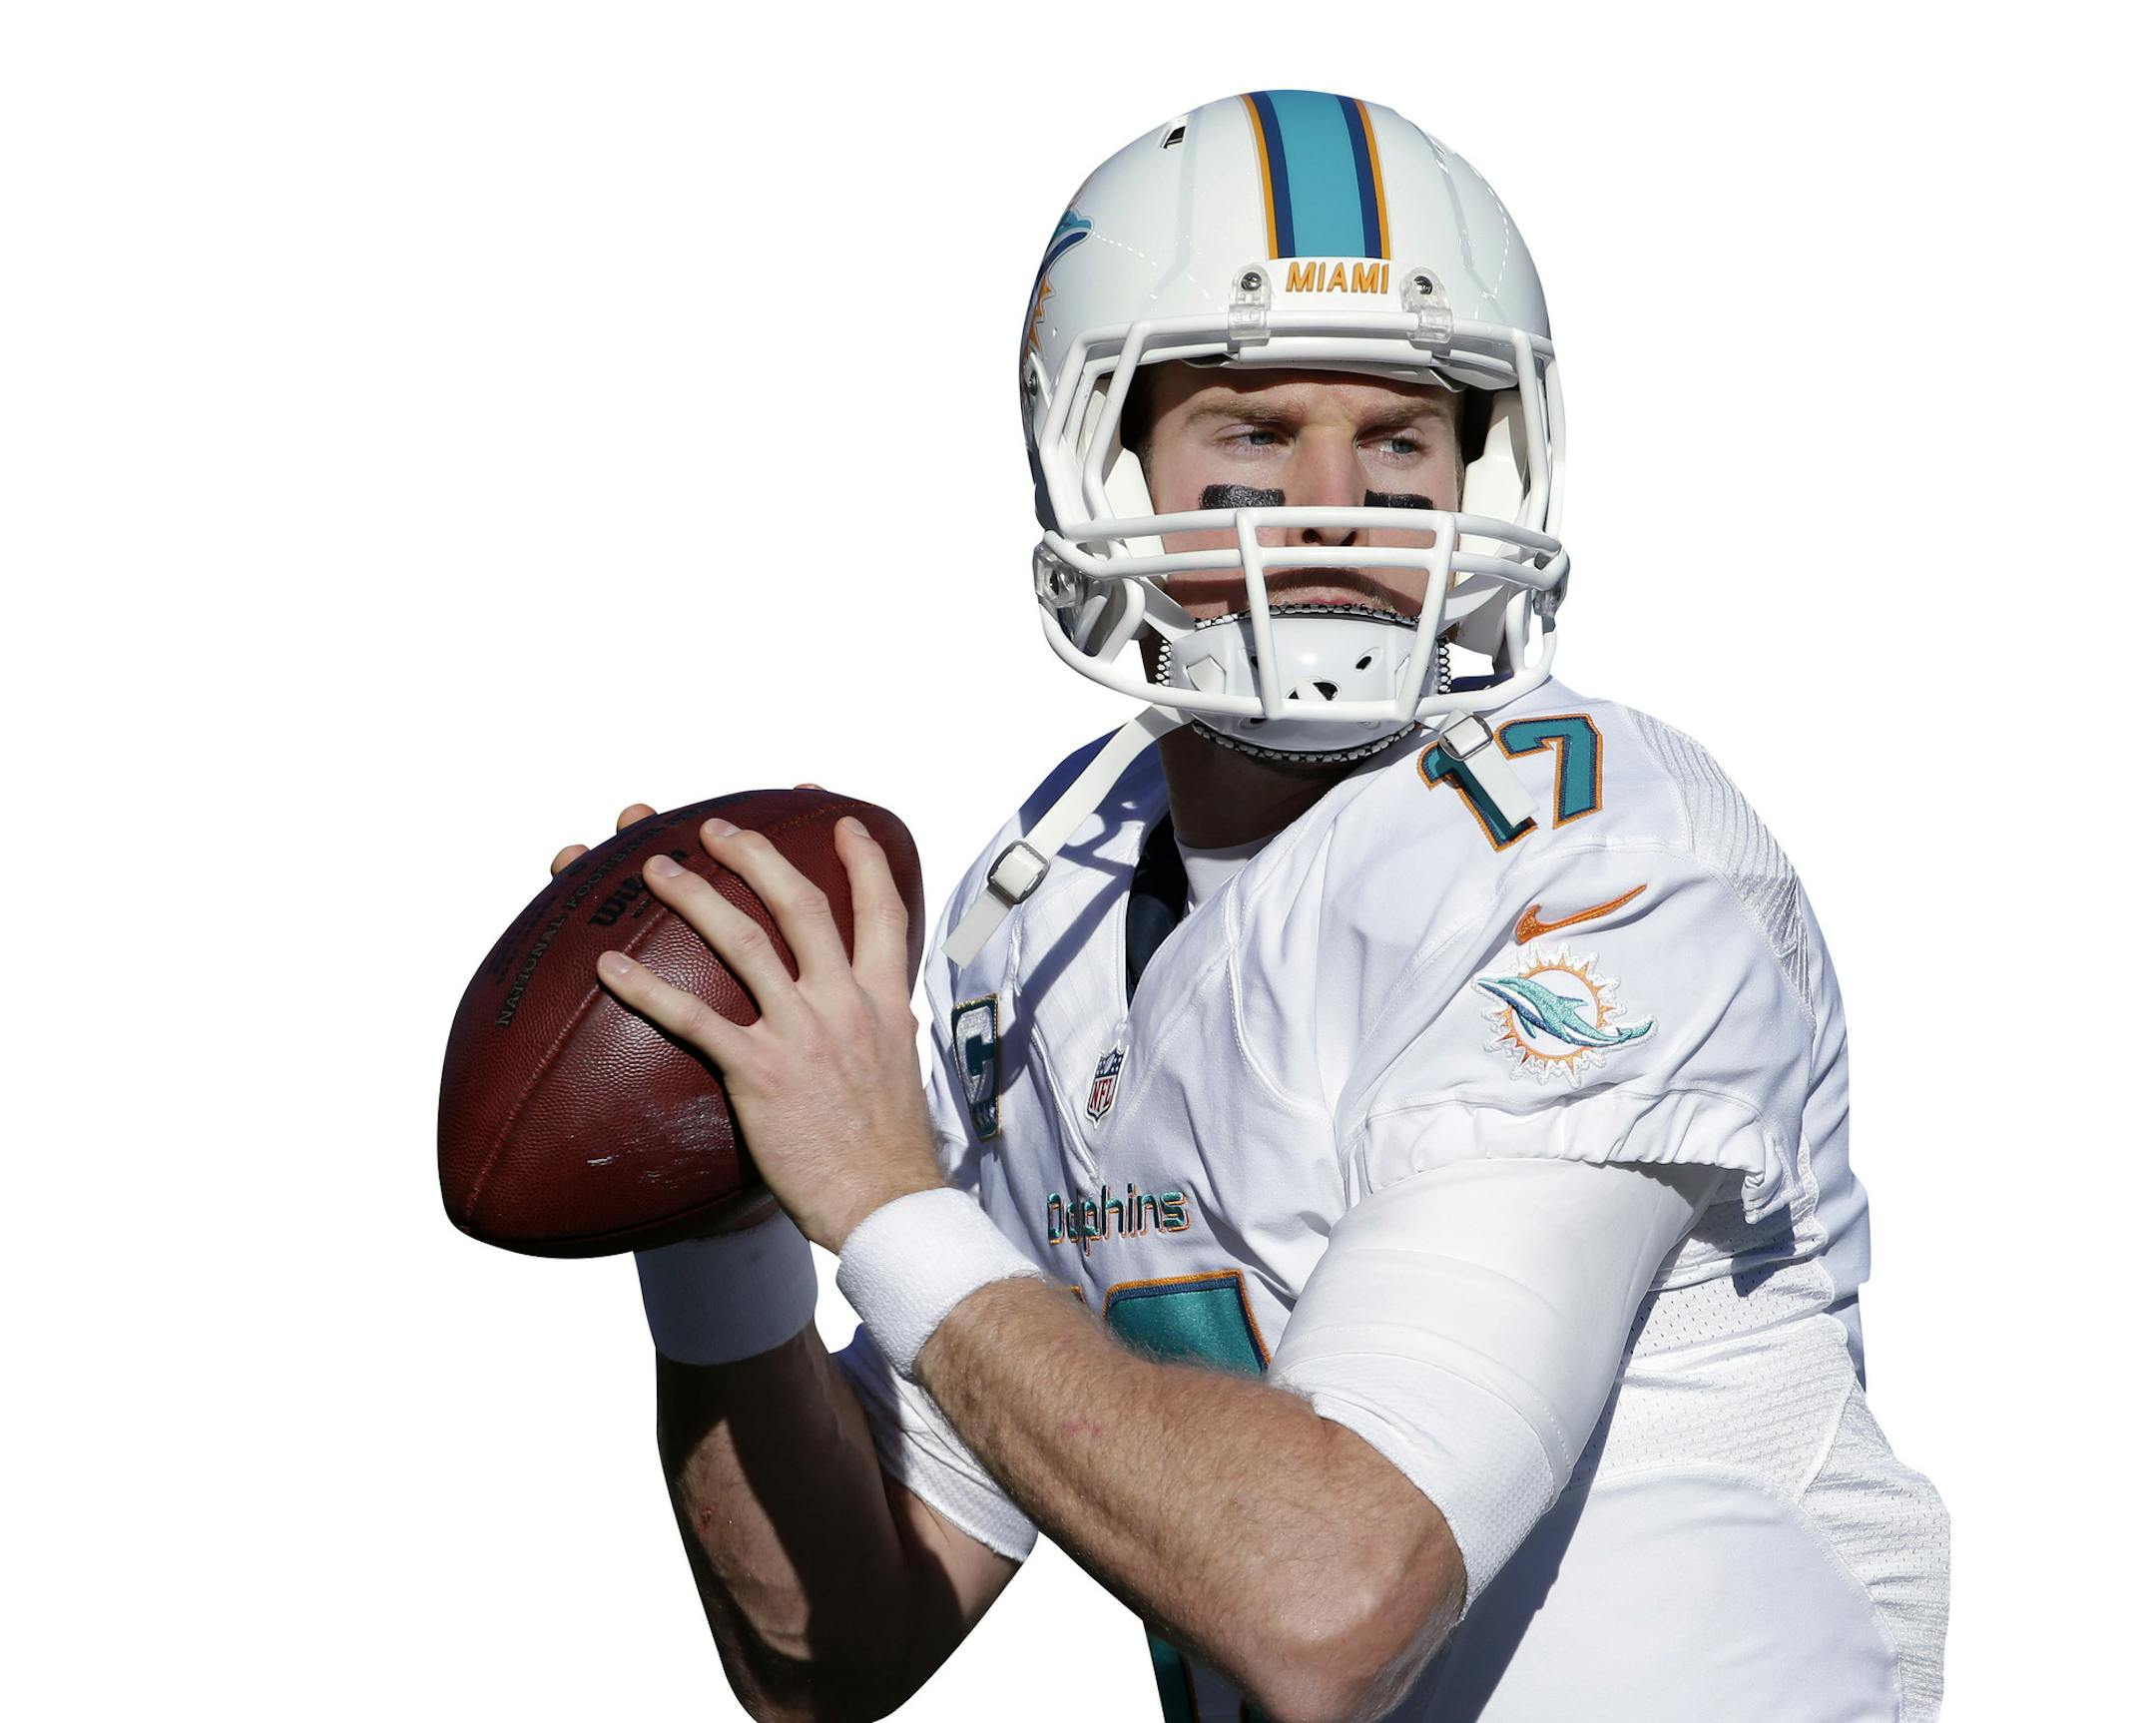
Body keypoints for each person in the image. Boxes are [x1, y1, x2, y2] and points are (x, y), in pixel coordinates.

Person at [557, 92, 1949, 1722]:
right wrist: (725, 1206)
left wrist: (877, 1196)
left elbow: (1333, 1603)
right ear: (1103, 457)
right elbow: (831, 1648)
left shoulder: (1594, 851)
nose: (1339, 500)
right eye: (1255, 429)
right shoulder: (1058, 892)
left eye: (1402, 436)